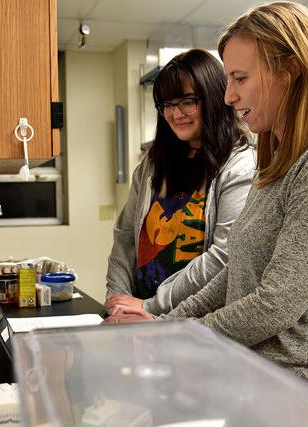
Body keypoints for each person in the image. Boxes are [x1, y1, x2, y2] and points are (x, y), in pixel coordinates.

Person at [106, 1, 308, 410]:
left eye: (239, 78)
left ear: (289, 71)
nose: (229, 96)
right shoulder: (277, 157)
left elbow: (275, 303)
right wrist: (166, 325)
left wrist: (178, 336)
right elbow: (237, 272)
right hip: (253, 388)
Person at [104, 49, 255, 316]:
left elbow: (224, 256)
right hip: (139, 316)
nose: (176, 114)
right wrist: (118, 300)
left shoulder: (239, 165)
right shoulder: (152, 164)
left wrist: (152, 305)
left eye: (187, 101)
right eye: (167, 105)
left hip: (196, 324)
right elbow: (126, 237)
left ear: (213, 98)